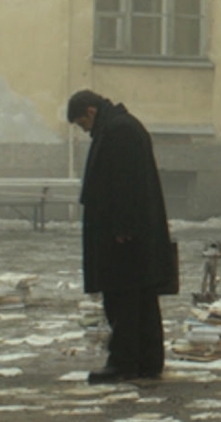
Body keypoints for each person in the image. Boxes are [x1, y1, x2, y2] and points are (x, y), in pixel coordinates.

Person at [68, 89, 175, 383]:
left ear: (90, 111)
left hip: (124, 238)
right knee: (140, 299)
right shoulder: (121, 126)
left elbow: (126, 183)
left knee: (123, 299)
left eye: (82, 123)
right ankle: (146, 361)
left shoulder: (118, 131)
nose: (84, 130)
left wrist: (123, 227)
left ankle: (124, 362)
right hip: (132, 234)